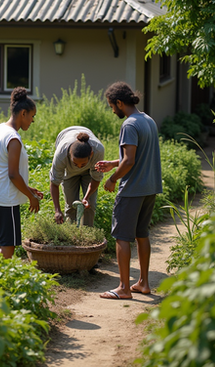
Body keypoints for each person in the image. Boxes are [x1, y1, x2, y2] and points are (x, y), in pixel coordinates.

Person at [95, 81, 162, 299]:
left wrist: (113, 178)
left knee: (122, 237)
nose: (112, 109)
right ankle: (143, 283)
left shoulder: (129, 125)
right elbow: (134, 157)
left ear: (120, 103)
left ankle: (123, 288)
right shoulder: (147, 120)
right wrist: (114, 164)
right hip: (149, 187)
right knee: (142, 234)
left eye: (112, 106)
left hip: (132, 189)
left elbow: (130, 161)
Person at [0, 87, 43, 260]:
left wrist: (28, 188)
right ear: (23, 113)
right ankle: (3, 282)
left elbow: (2, 168)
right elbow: (13, 175)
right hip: (4, 198)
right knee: (8, 243)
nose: (32, 121)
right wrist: (31, 196)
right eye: (32, 116)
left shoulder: (0, 129)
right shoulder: (13, 139)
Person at [49, 126, 105, 227]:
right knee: (71, 206)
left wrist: (86, 198)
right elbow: (54, 183)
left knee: (90, 205)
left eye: (82, 164)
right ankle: (72, 235)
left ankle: (87, 234)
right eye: (76, 163)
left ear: (91, 155)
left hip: (89, 172)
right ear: (69, 155)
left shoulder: (98, 151)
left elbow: (96, 178)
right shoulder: (61, 154)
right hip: (69, 173)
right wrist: (57, 210)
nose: (79, 166)